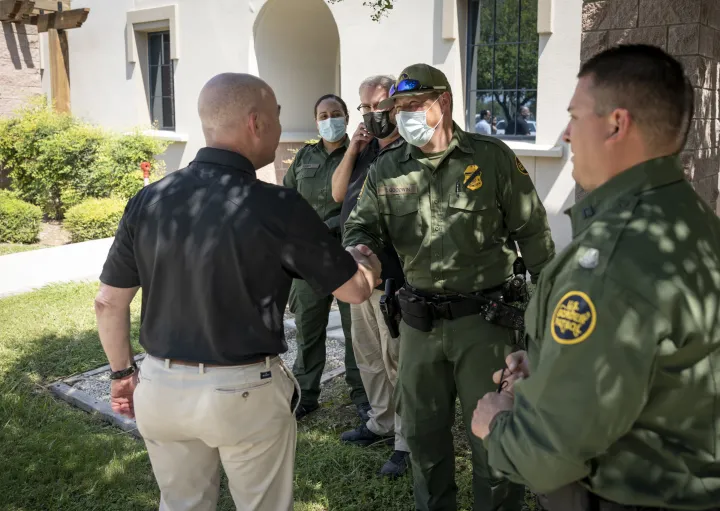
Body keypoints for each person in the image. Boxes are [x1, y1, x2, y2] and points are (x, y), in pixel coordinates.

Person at [94, 73, 381, 511]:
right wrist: (367, 261)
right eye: (278, 117)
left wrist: (120, 376)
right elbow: (354, 292)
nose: (282, 129)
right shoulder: (277, 206)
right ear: (256, 122)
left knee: (180, 504)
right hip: (243, 392)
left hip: (160, 386)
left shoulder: (148, 200)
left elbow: (109, 301)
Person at [473, 44, 720, 511]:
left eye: (574, 116)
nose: (566, 134)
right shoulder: (692, 218)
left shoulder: (611, 258)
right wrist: (550, 362)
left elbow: (550, 454)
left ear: (616, 124)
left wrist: (497, 425)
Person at [343, 63, 556, 511]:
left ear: (443, 103)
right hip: (419, 326)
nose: (403, 116)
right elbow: (361, 227)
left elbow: (534, 235)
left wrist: (549, 318)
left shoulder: (491, 157)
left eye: (413, 106)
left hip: (485, 324)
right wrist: (361, 253)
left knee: (493, 442)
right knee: (423, 439)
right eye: (398, 108)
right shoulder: (388, 169)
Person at [331, 75, 410, 478]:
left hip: (394, 276)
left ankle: (406, 441)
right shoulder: (363, 151)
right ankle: (381, 422)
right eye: (364, 107)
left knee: (396, 358)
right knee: (368, 355)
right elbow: (338, 193)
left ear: (396, 106)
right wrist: (353, 148)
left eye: (378, 106)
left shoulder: (411, 152)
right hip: (359, 275)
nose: (371, 114)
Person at [283, 94, 371, 421]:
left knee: (356, 331)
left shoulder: (362, 154)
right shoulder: (305, 156)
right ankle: (305, 395)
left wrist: (327, 225)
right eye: (323, 115)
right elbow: (288, 197)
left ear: (347, 118)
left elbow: (362, 204)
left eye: (335, 113)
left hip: (347, 251)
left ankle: (362, 396)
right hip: (309, 257)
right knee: (308, 328)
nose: (329, 119)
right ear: (315, 120)